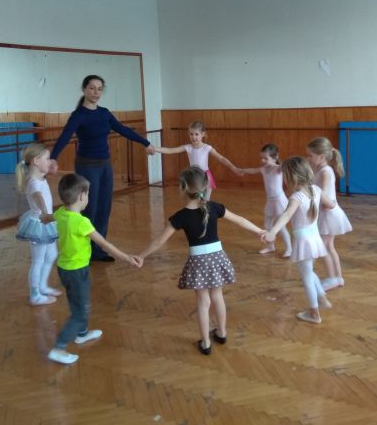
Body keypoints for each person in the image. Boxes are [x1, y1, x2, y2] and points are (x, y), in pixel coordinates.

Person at [138, 165, 265, 355]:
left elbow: (159, 241)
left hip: (198, 262)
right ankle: (221, 333)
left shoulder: (180, 216)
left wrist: (141, 256)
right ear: (205, 186)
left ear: (183, 188)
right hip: (217, 257)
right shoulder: (214, 207)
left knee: (203, 302)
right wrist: (260, 231)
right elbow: (240, 220)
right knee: (217, 297)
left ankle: (205, 343)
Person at [49, 74, 155, 262]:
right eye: (92, 88)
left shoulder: (104, 113)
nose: (96, 92)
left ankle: (98, 250)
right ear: (84, 89)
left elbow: (123, 129)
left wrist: (145, 143)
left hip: (105, 165)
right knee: (90, 207)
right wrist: (53, 158)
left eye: (99, 89)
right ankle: (85, 249)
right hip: (87, 166)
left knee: (104, 208)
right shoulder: (79, 115)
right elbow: (65, 136)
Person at [47, 173, 141, 365]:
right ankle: (59, 347)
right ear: (82, 196)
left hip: (65, 269)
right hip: (76, 271)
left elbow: (49, 217)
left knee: (78, 301)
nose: (88, 197)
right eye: (88, 194)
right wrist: (126, 257)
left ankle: (82, 333)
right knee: (80, 311)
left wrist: (42, 217)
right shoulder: (81, 222)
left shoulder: (61, 213)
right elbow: (104, 244)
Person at [263, 156, 335, 324]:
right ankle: (322, 298)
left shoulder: (296, 197)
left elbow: (286, 215)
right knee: (309, 271)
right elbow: (330, 204)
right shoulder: (315, 190)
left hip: (304, 241)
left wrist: (272, 231)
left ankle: (314, 313)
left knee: (306, 276)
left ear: (292, 177)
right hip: (314, 238)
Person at [15, 143, 61, 306]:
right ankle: (35, 295)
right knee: (38, 260)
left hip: (45, 222)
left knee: (51, 255)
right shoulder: (34, 182)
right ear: (36, 161)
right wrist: (46, 213)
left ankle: (42, 286)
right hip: (40, 223)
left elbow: (49, 169)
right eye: (47, 159)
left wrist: (51, 165)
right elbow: (38, 196)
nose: (50, 161)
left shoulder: (40, 176)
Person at [306, 137, 352, 291]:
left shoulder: (326, 171)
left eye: (310, 155)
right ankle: (338, 277)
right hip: (327, 213)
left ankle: (333, 278)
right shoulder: (319, 169)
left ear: (321, 156)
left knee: (324, 247)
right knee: (329, 246)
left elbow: (323, 194)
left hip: (329, 214)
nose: (308, 158)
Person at [153, 120, 241, 200]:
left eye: (196, 134)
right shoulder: (188, 147)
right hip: (194, 176)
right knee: (196, 200)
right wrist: (155, 149)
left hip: (205, 176)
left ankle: (205, 210)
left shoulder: (207, 148)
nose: (193, 137)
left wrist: (234, 168)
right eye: (191, 134)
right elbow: (170, 150)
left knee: (205, 200)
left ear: (203, 134)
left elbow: (221, 158)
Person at [238, 143, 292, 257]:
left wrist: (279, 163)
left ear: (275, 157)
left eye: (265, 158)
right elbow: (253, 170)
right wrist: (242, 170)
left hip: (279, 201)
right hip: (270, 201)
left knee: (281, 227)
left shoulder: (278, 169)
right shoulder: (263, 169)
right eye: (261, 158)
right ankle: (270, 246)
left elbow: (288, 166)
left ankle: (289, 249)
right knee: (267, 225)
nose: (262, 160)